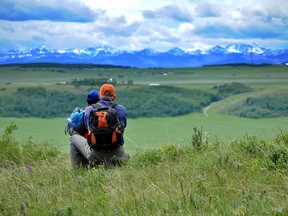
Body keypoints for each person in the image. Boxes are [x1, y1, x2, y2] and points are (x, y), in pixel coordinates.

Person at [69, 84, 130, 169]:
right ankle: (115, 165)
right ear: (113, 97)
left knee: (73, 138)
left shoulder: (90, 109)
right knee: (127, 156)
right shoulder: (121, 109)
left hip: (95, 154)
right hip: (117, 154)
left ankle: (78, 170)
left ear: (99, 96)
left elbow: (88, 127)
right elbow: (122, 129)